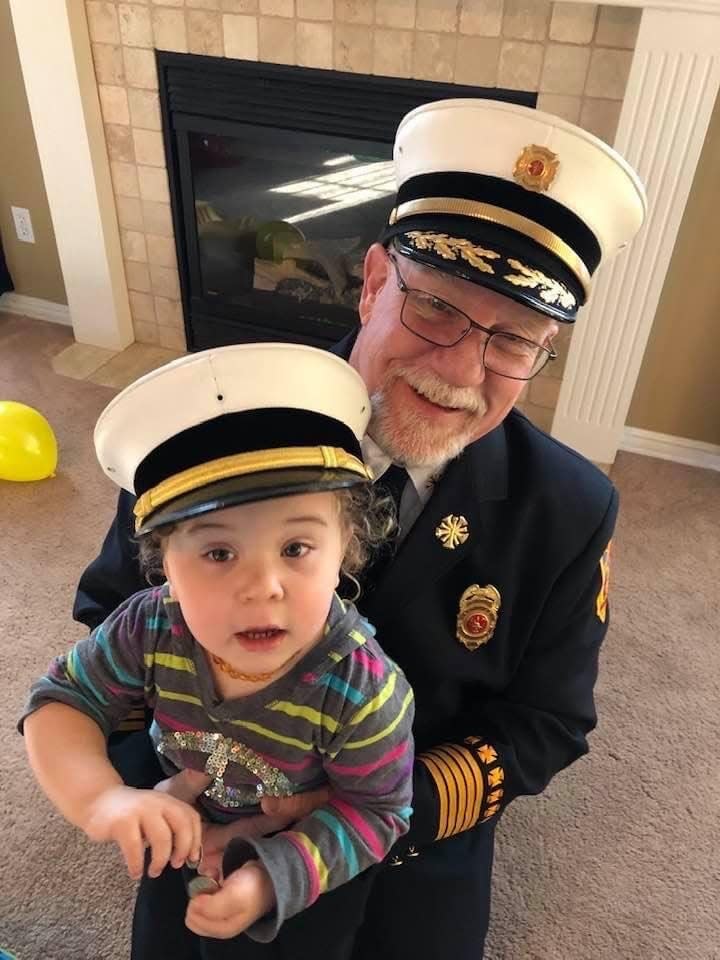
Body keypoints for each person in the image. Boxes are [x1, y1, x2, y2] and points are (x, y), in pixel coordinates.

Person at [72, 99, 647, 958]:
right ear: (376, 279)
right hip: (209, 827)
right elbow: (110, 618)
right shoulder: (216, 423)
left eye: (515, 341)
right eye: (438, 310)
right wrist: (158, 792)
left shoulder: (567, 509)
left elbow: (547, 724)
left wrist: (376, 808)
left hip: (407, 860)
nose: (462, 368)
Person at [21, 343, 415, 955]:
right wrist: (103, 799)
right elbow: (62, 699)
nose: (262, 587)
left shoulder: (363, 690)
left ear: (346, 550)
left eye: (296, 548)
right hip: (175, 824)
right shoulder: (152, 627)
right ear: (164, 568)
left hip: (300, 860)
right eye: (218, 553)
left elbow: (377, 812)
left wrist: (269, 877)